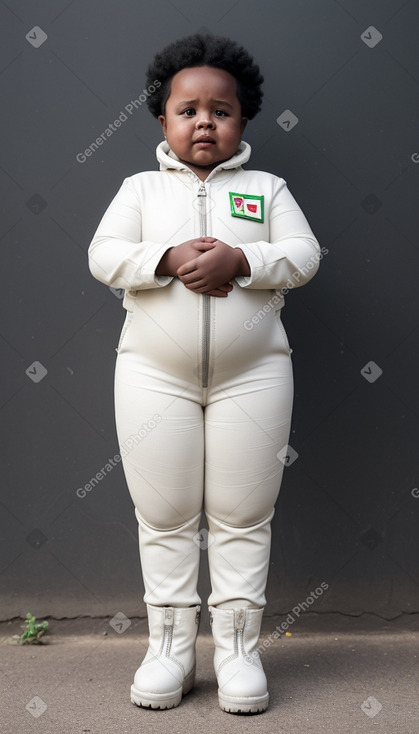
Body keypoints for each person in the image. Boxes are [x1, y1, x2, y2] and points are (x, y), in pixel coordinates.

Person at [88, 33, 321, 714]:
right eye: (186, 110)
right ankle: (169, 648)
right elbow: (104, 256)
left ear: (242, 120)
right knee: (162, 514)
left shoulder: (265, 189)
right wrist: (162, 259)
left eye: (220, 110)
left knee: (244, 513)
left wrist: (241, 263)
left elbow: (304, 257)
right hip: (151, 376)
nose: (203, 122)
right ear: (161, 119)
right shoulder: (138, 190)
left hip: (254, 376)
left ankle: (238, 650)